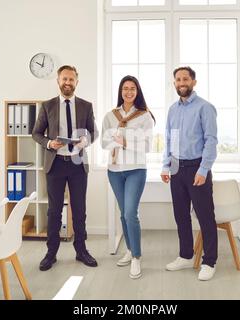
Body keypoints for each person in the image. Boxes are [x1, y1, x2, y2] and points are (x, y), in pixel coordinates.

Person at [32, 65, 99, 271]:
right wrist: (49, 144)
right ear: (58, 81)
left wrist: (84, 141)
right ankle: (51, 253)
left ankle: (81, 250)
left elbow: (93, 133)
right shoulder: (47, 106)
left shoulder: (86, 106)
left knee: (79, 210)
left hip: (78, 164)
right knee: (54, 211)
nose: (67, 83)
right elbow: (36, 134)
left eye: (71, 79)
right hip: (56, 164)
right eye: (64, 79)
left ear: (76, 82)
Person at [161, 66, 218, 281]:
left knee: (205, 216)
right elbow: (169, 140)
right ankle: (185, 255)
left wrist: (204, 169)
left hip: (197, 168)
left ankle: (209, 261)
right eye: (178, 79)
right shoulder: (173, 110)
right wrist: (166, 166)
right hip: (176, 168)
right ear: (174, 83)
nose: (181, 82)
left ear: (193, 82)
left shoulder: (205, 108)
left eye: (185, 78)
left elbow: (211, 141)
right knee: (181, 215)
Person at [102, 75, 154, 279]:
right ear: (120, 91)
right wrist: (132, 138)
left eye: (133, 88)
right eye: (125, 88)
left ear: (137, 91)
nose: (129, 92)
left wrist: (122, 140)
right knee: (123, 213)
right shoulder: (110, 116)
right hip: (114, 170)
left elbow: (147, 145)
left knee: (131, 212)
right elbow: (104, 143)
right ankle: (130, 250)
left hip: (136, 169)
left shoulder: (144, 116)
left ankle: (136, 257)